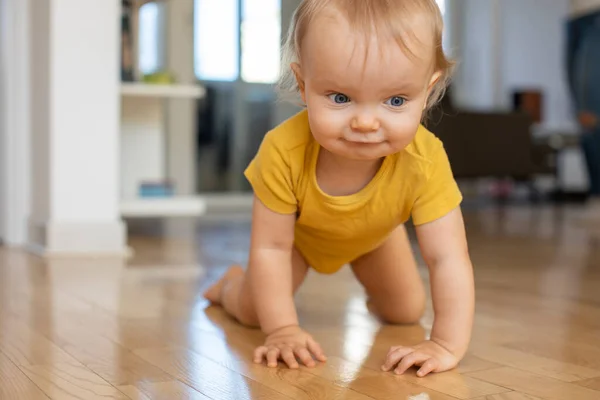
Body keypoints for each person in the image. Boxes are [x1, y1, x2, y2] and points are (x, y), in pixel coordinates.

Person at [204, 0, 474, 377]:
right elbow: (271, 247)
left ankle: (375, 291)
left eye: (395, 101)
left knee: (405, 312)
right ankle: (230, 287)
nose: (365, 122)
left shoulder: (426, 160)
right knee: (252, 313)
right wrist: (283, 330)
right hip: (298, 240)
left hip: (377, 236)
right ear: (303, 84)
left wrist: (445, 344)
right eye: (341, 98)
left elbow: (448, 258)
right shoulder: (283, 150)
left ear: (426, 93)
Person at [567, 2, 600, 216]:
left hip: (592, 14)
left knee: (590, 120)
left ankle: (597, 196)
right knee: (586, 119)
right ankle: (596, 195)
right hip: (577, 13)